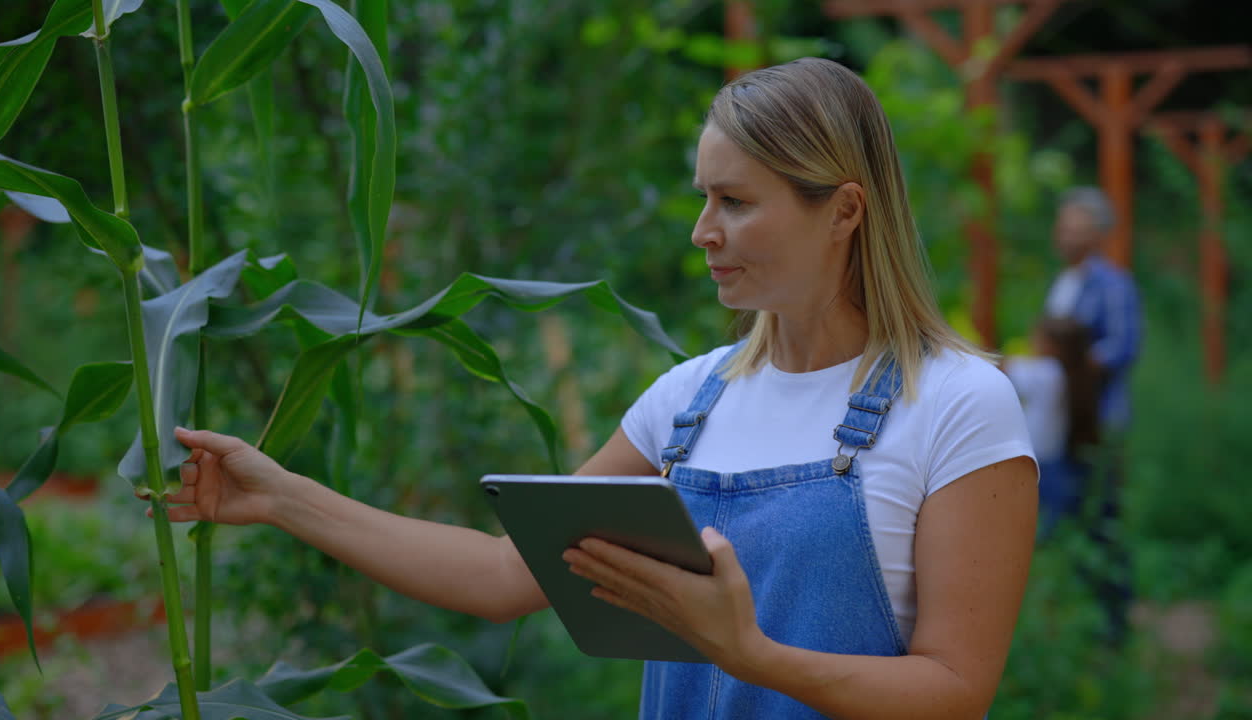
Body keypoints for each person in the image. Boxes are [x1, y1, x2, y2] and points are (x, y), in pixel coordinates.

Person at [158, 58, 1038, 719]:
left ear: (844, 211)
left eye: (735, 202)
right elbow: (507, 573)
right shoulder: (689, 406)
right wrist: (280, 497)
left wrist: (751, 655)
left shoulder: (959, 405)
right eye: (704, 199)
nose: (703, 231)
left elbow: (955, 691)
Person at [1045, 186, 1142, 644]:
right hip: (1065, 421)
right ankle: (1079, 617)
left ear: (1098, 233)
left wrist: (1080, 365)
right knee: (1069, 510)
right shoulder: (1064, 283)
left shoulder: (1112, 284)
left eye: (1077, 227)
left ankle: (1114, 624)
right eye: (1064, 225)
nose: (1067, 235)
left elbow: (1122, 346)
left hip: (1099, 421)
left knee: (1103, 515)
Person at [1003, 316, 1102, 539]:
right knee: (1061, 529)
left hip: (1043, 466)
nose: (1031, 342)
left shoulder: (1047, 373)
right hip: (1058, 462)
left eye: (1036, 338)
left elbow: (1001, 367)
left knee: (1041, 532)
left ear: (1053, 346)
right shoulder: (1069, 373)